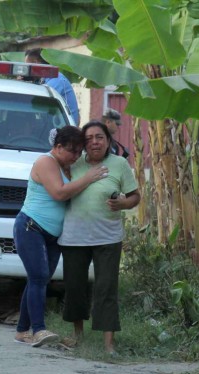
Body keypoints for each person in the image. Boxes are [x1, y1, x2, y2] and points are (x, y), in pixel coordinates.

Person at [13, 126, 108, 347]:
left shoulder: (67, 166)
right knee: (38, 278)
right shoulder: (46, 162)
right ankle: (38, 330)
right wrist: (89, 178)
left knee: (40, 279)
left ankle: (21, 331)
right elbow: (59, 193)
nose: (75, 157)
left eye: (78, 152)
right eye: (71, 151)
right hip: (31, 227)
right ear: (57, 147)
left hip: (53, 233)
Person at [58, 120, 140, 355]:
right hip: (74, 237)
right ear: (83, 144)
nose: (95, 142)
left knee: (106, 288)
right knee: (75, 287)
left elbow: (135, 196)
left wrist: (123, 203)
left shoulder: (119, 164)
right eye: (89, 138)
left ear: (108, 141)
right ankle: (77, 335)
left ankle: (108, 344)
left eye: (100, 137)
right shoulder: (74, 163)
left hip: (108, 237)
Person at [24, 48, 80, 125]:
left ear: (36, 63)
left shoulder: (56, 79)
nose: (26, 71)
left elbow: (37, 103)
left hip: (67, 129)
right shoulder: (42, 80)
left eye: (28, 66)